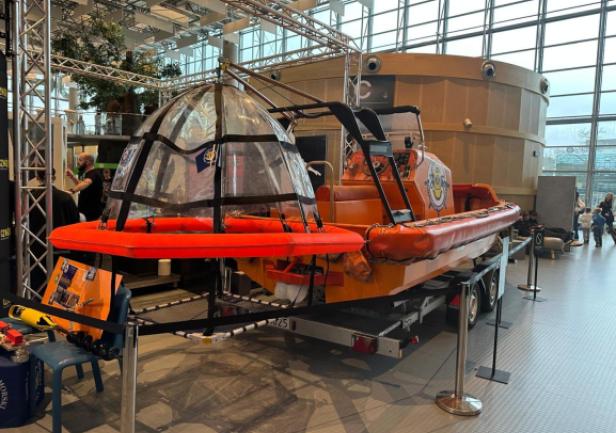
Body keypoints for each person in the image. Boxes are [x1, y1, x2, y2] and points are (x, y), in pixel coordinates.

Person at [30, 169, 80, 291]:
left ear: (37, 178)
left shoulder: (30, 197)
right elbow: (75, 223)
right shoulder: (65, 197)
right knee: (62, 289)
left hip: (35, 250)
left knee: (38, 288)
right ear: (54, 177)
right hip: (62, 249)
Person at [65, 153, 104, 221]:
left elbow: (86, 183)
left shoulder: (94, 173)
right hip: (86, 213)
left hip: (91, 214)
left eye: (80, 160)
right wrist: (72, 176)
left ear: (87, 162)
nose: (78, 162)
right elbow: (82, 184)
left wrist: (72, 191)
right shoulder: (88, 174)